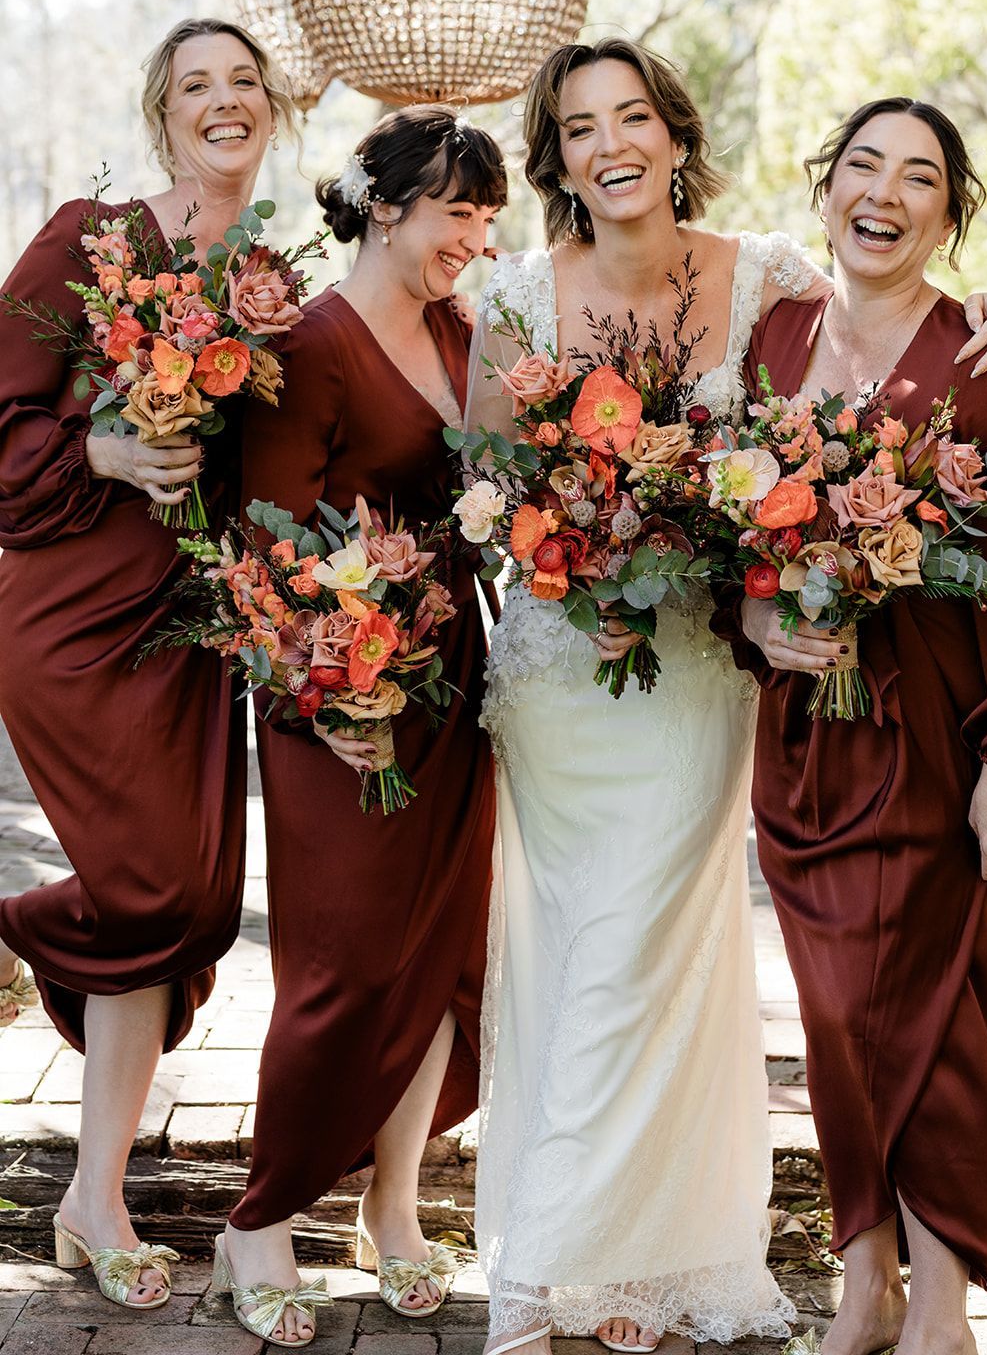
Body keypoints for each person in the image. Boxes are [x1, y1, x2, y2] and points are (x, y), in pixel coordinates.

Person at [466, 40, 987, 1355]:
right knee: (581, 959)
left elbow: (886, 321)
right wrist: (579, 534)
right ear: (555, 154)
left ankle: (596, 1254)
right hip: (570, 675)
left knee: (654, 960)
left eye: (632, 116)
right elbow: (489, 493)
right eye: (577, 125)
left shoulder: (765, 286)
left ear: (675, 135)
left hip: (714, 687)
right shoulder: (517, 298)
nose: (608, 141)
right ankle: (604, 1267)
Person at [727, 97, 987, 1355]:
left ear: (946, 213)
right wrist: (758, 627)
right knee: (833, 1020)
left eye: (917, 177)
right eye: (861, 165)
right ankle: (860, 1283)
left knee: (936, 1021)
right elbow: (724, 539)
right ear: (826, 187)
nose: (882, 192)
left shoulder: (982, 357)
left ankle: (938, 1309)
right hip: (806, 744)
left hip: (935, 739)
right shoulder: (771, 338)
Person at [0, 17, 295, 1309]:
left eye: (242, 83)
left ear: (269, 108)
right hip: (74, 612)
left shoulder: (272, 280)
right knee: (146, 888)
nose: (222, 103)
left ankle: (92, 1192)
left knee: (180, 914)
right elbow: (2, 408)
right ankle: (18, 930)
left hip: (188, 632)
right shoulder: (91, 239)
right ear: (159, 112)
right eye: (195, 86)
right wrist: (104, 454)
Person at [214, 105, 505, 1348]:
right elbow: (261, 548)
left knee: (441, 956)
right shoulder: (314, 346)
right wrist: (323, 699)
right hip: (334, 697)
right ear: (385, 205)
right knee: (337, 967)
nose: (475, 239)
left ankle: (393, 1204)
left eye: (490, 218)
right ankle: (260, 1221)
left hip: (451, 689)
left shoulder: (459, 327)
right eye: (458, 212)